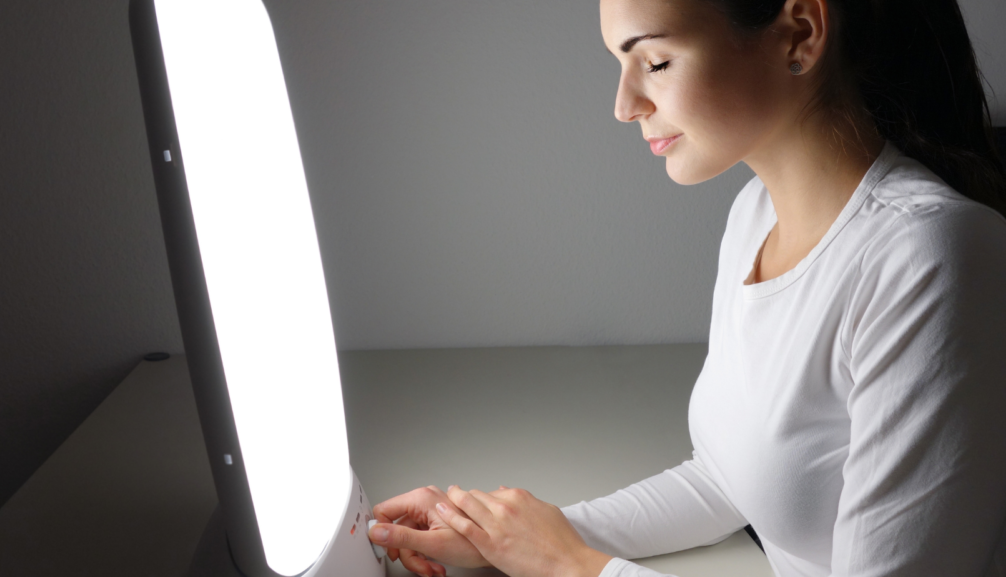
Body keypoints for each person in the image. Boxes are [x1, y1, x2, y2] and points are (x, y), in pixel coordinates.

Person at [366, 0, 1006, 575]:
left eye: (657, 60)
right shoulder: (755, 215)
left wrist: (573, 567)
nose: (624, 104)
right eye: (622, 63)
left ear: (800, 34)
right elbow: (729, 479)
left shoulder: (928, 255)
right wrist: (501, 536)